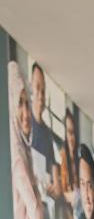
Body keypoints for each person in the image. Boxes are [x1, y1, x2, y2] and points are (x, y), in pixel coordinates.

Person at [8, 61, 44, 219]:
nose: (25, 112)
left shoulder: (22, 150)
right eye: (19, 104)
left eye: (26, 103)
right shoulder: (19, 160)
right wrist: (38, 194)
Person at [29, 61, 60, 201]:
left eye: (43, 90)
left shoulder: (47, 133)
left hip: (44, 200)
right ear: (31, 86)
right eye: (37, 87)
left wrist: (55, 187)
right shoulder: (26, 123)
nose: (41, 94)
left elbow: (54, 171)